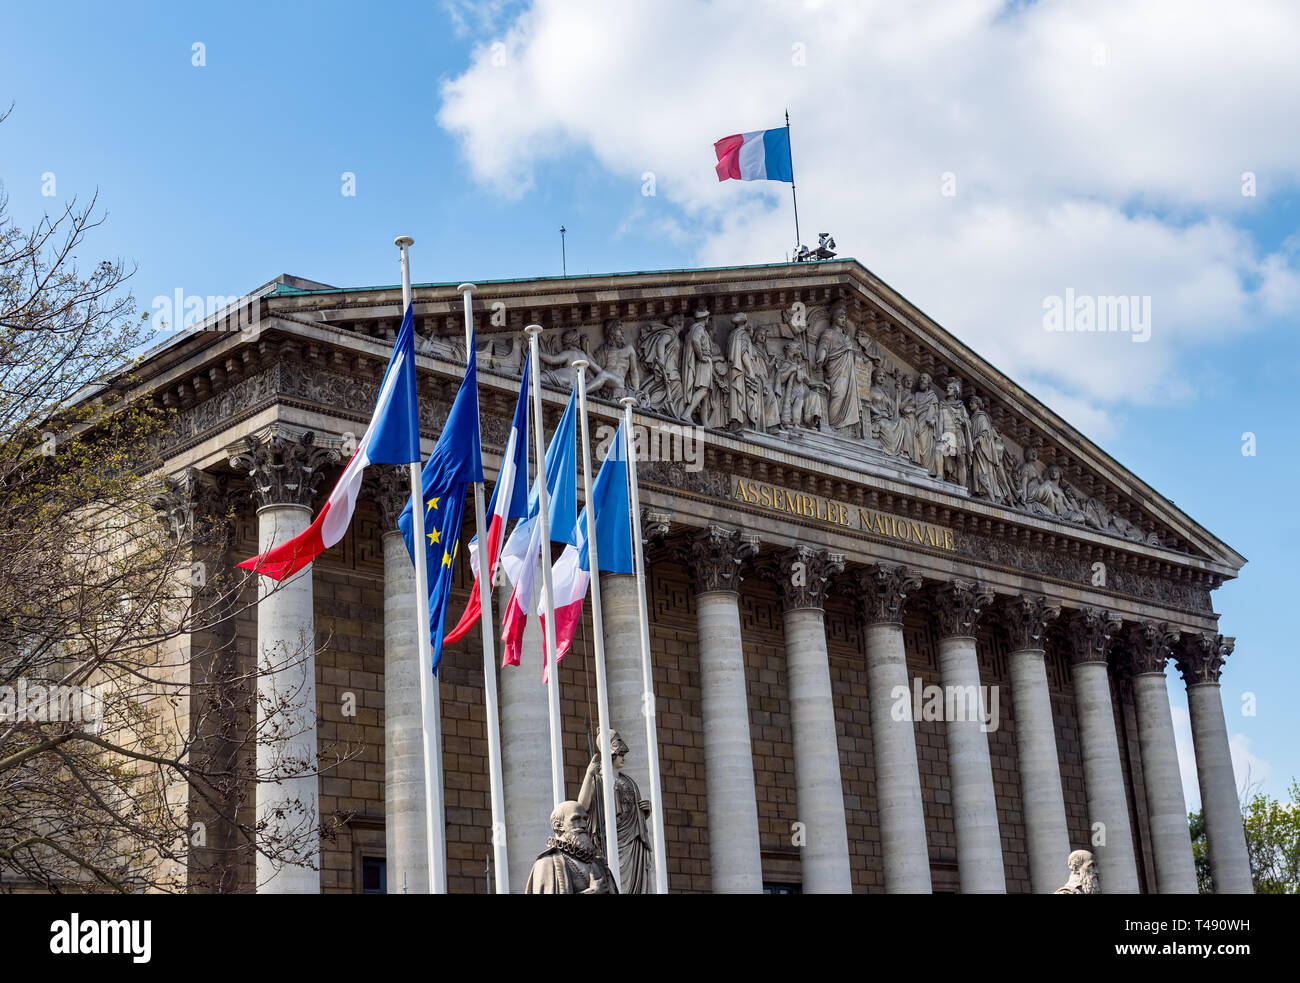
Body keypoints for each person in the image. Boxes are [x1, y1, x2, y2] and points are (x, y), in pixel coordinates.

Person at [577, 730, 653, 894]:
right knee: (615, 880)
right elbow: (582, 807)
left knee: (635, 883)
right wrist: (589, 775)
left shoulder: (629, 782)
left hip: (632, 842)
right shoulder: (598, 779)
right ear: (611, 754)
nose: (623, 758)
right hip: (610, 840)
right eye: (620, 754)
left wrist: (643, 814)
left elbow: (631, 814)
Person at [524, 800, 618, 894]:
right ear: (559, 825)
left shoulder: (599, 863)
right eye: (576, 819)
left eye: (585, 819)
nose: (584, 825)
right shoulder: (546, 863)